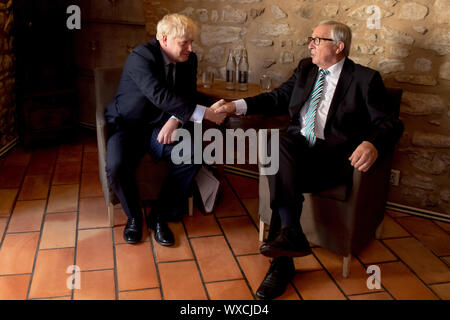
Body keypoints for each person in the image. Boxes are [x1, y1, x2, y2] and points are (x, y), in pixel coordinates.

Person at [214, 20, 404, 300]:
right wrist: (236, 105)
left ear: (339, 47)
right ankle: (290, 235)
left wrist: (372, 142)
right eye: (310, 39)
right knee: (279, 144)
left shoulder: (365, 79)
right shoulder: (306, 68)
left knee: (281, 166)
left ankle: (283, 257)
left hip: (332, 160)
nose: (310, 44)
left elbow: (390, 123)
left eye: (317, 39)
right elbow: (277, 97)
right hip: (296, 149)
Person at [105, 14, 226, 246]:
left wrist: (175, 119)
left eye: (191, 42)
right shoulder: (141, 56)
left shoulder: (189, 60)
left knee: (191, 155)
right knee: (116, 165)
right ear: (164, 39)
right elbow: (159, 95)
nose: (190, 48)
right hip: (129, 125)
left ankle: (159, 216)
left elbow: (186, 95)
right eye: (184, 43)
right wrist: (206, 113)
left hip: (161, 126)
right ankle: (134, 217)